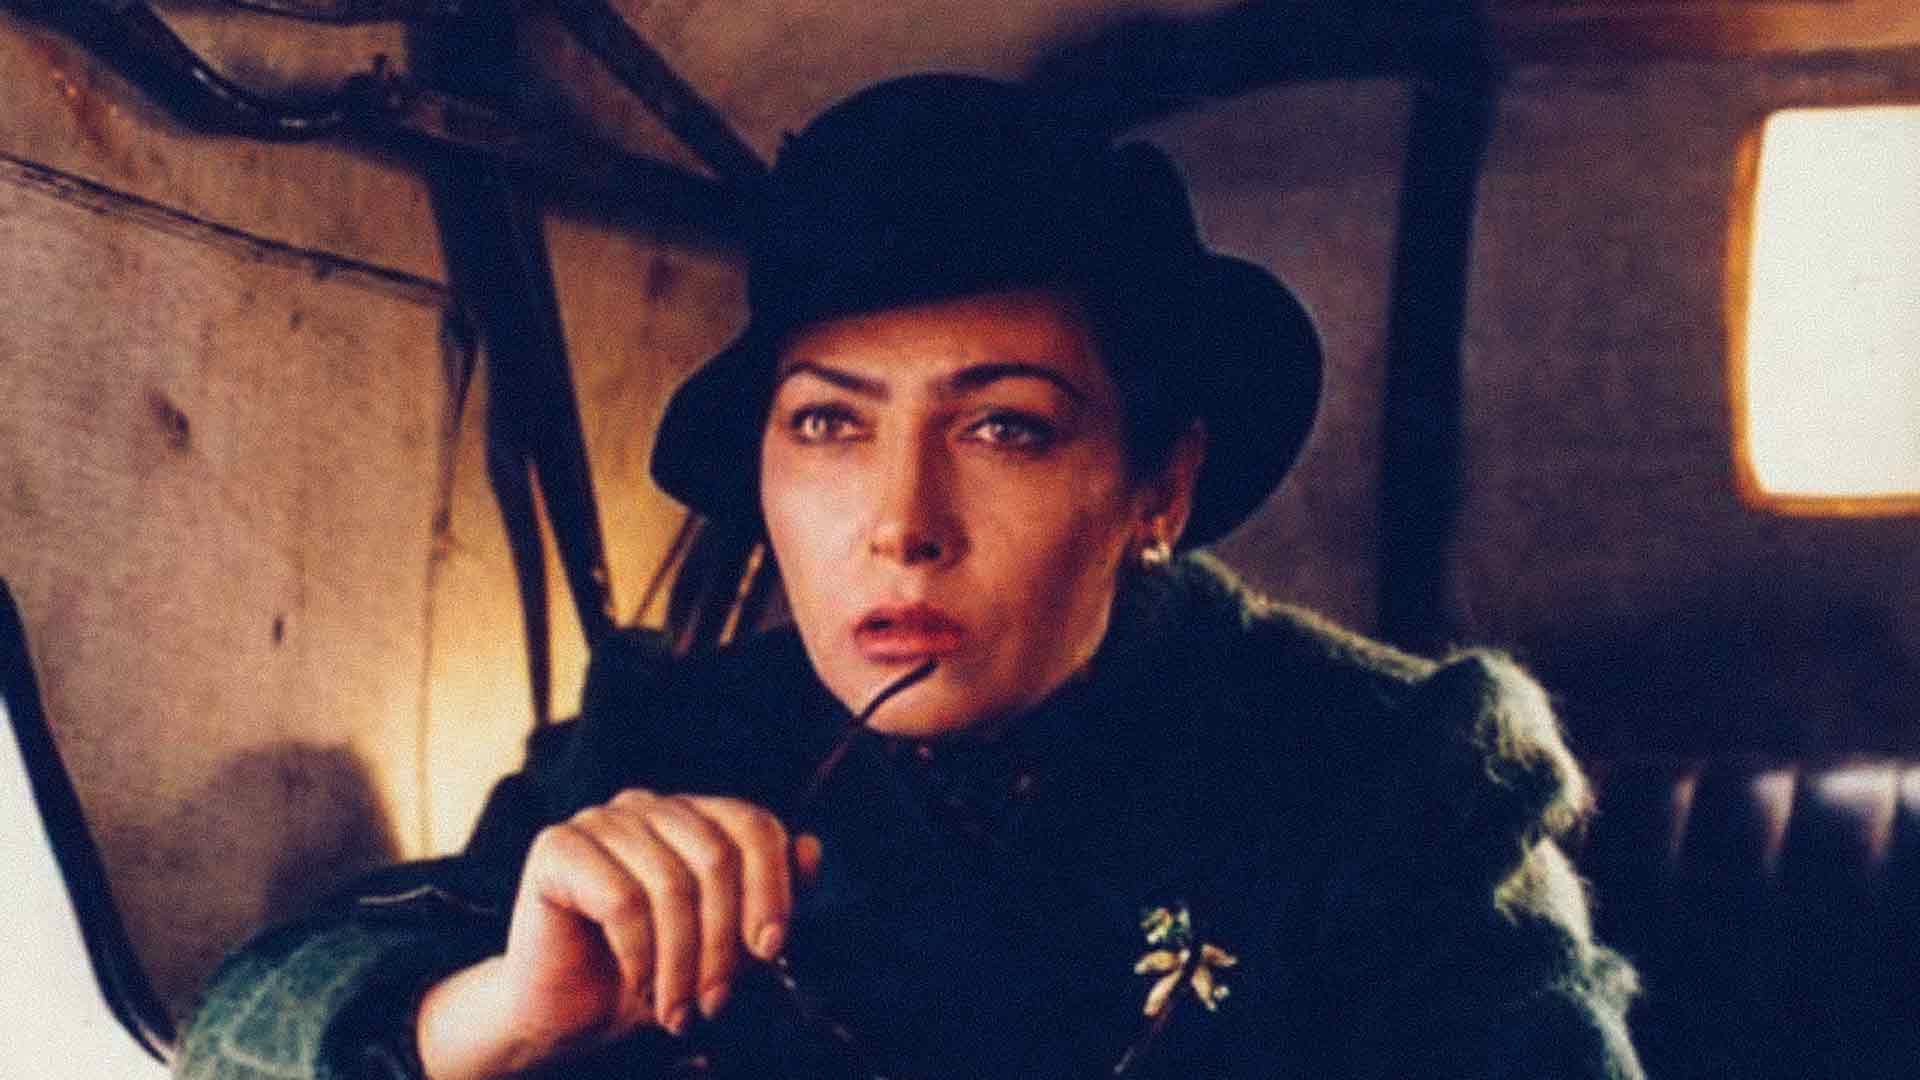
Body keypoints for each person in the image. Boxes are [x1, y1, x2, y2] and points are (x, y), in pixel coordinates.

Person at [176, 74, 1643, 1079]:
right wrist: (491, 1014)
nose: (901, 522)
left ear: (1160, 486)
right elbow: (236, 1033)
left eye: (1006, 428)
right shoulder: (664, 745)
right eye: (830, 424)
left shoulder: (1387, 770)